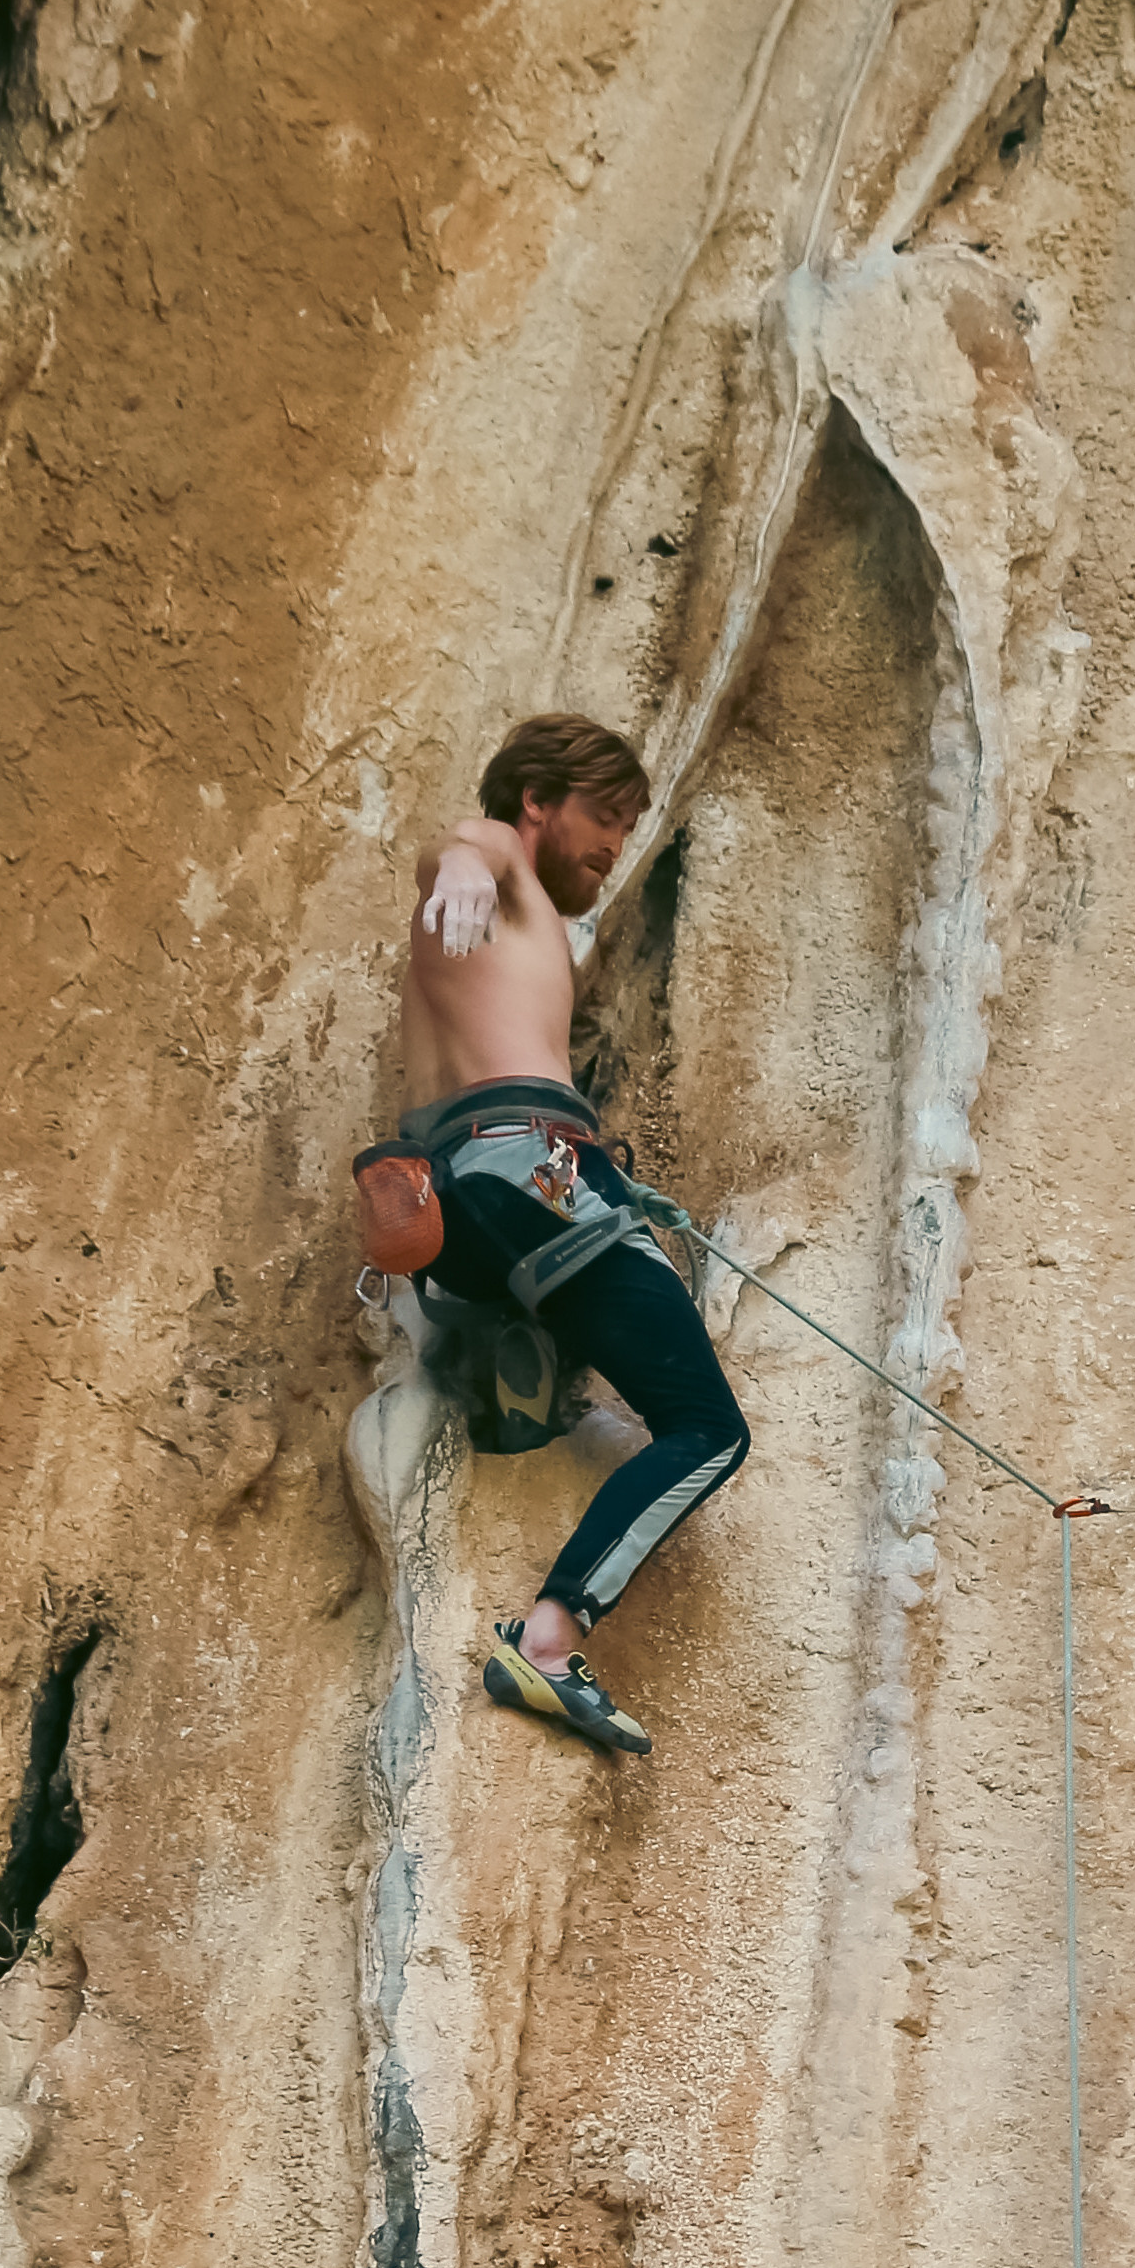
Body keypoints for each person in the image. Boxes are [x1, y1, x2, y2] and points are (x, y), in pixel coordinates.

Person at [395, 712, 749, 1756]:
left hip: (469, 1195)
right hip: (527, 1160)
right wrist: (462, 861)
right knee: (706, 1425)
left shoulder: (520, 932)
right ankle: (545, 1640)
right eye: (603, 817)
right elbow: (467, 842)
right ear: (539, 801)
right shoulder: (494, 871)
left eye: (630, 827)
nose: (614, 843)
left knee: (580, 1292)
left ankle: (518, 1366)